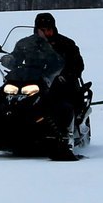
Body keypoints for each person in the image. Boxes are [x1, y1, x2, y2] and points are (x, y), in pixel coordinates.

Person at [33, 12, 85, 159]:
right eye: (42, 30)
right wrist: (9, 60)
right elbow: (17, 56)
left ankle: (65, 132)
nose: (46, 32)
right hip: (35, 81)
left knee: (63, 103)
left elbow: (77, 64)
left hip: (60, 82)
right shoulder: (28, 44)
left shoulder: (66, 44)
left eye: (48, 29)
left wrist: (65, 75)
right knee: (3, 95)